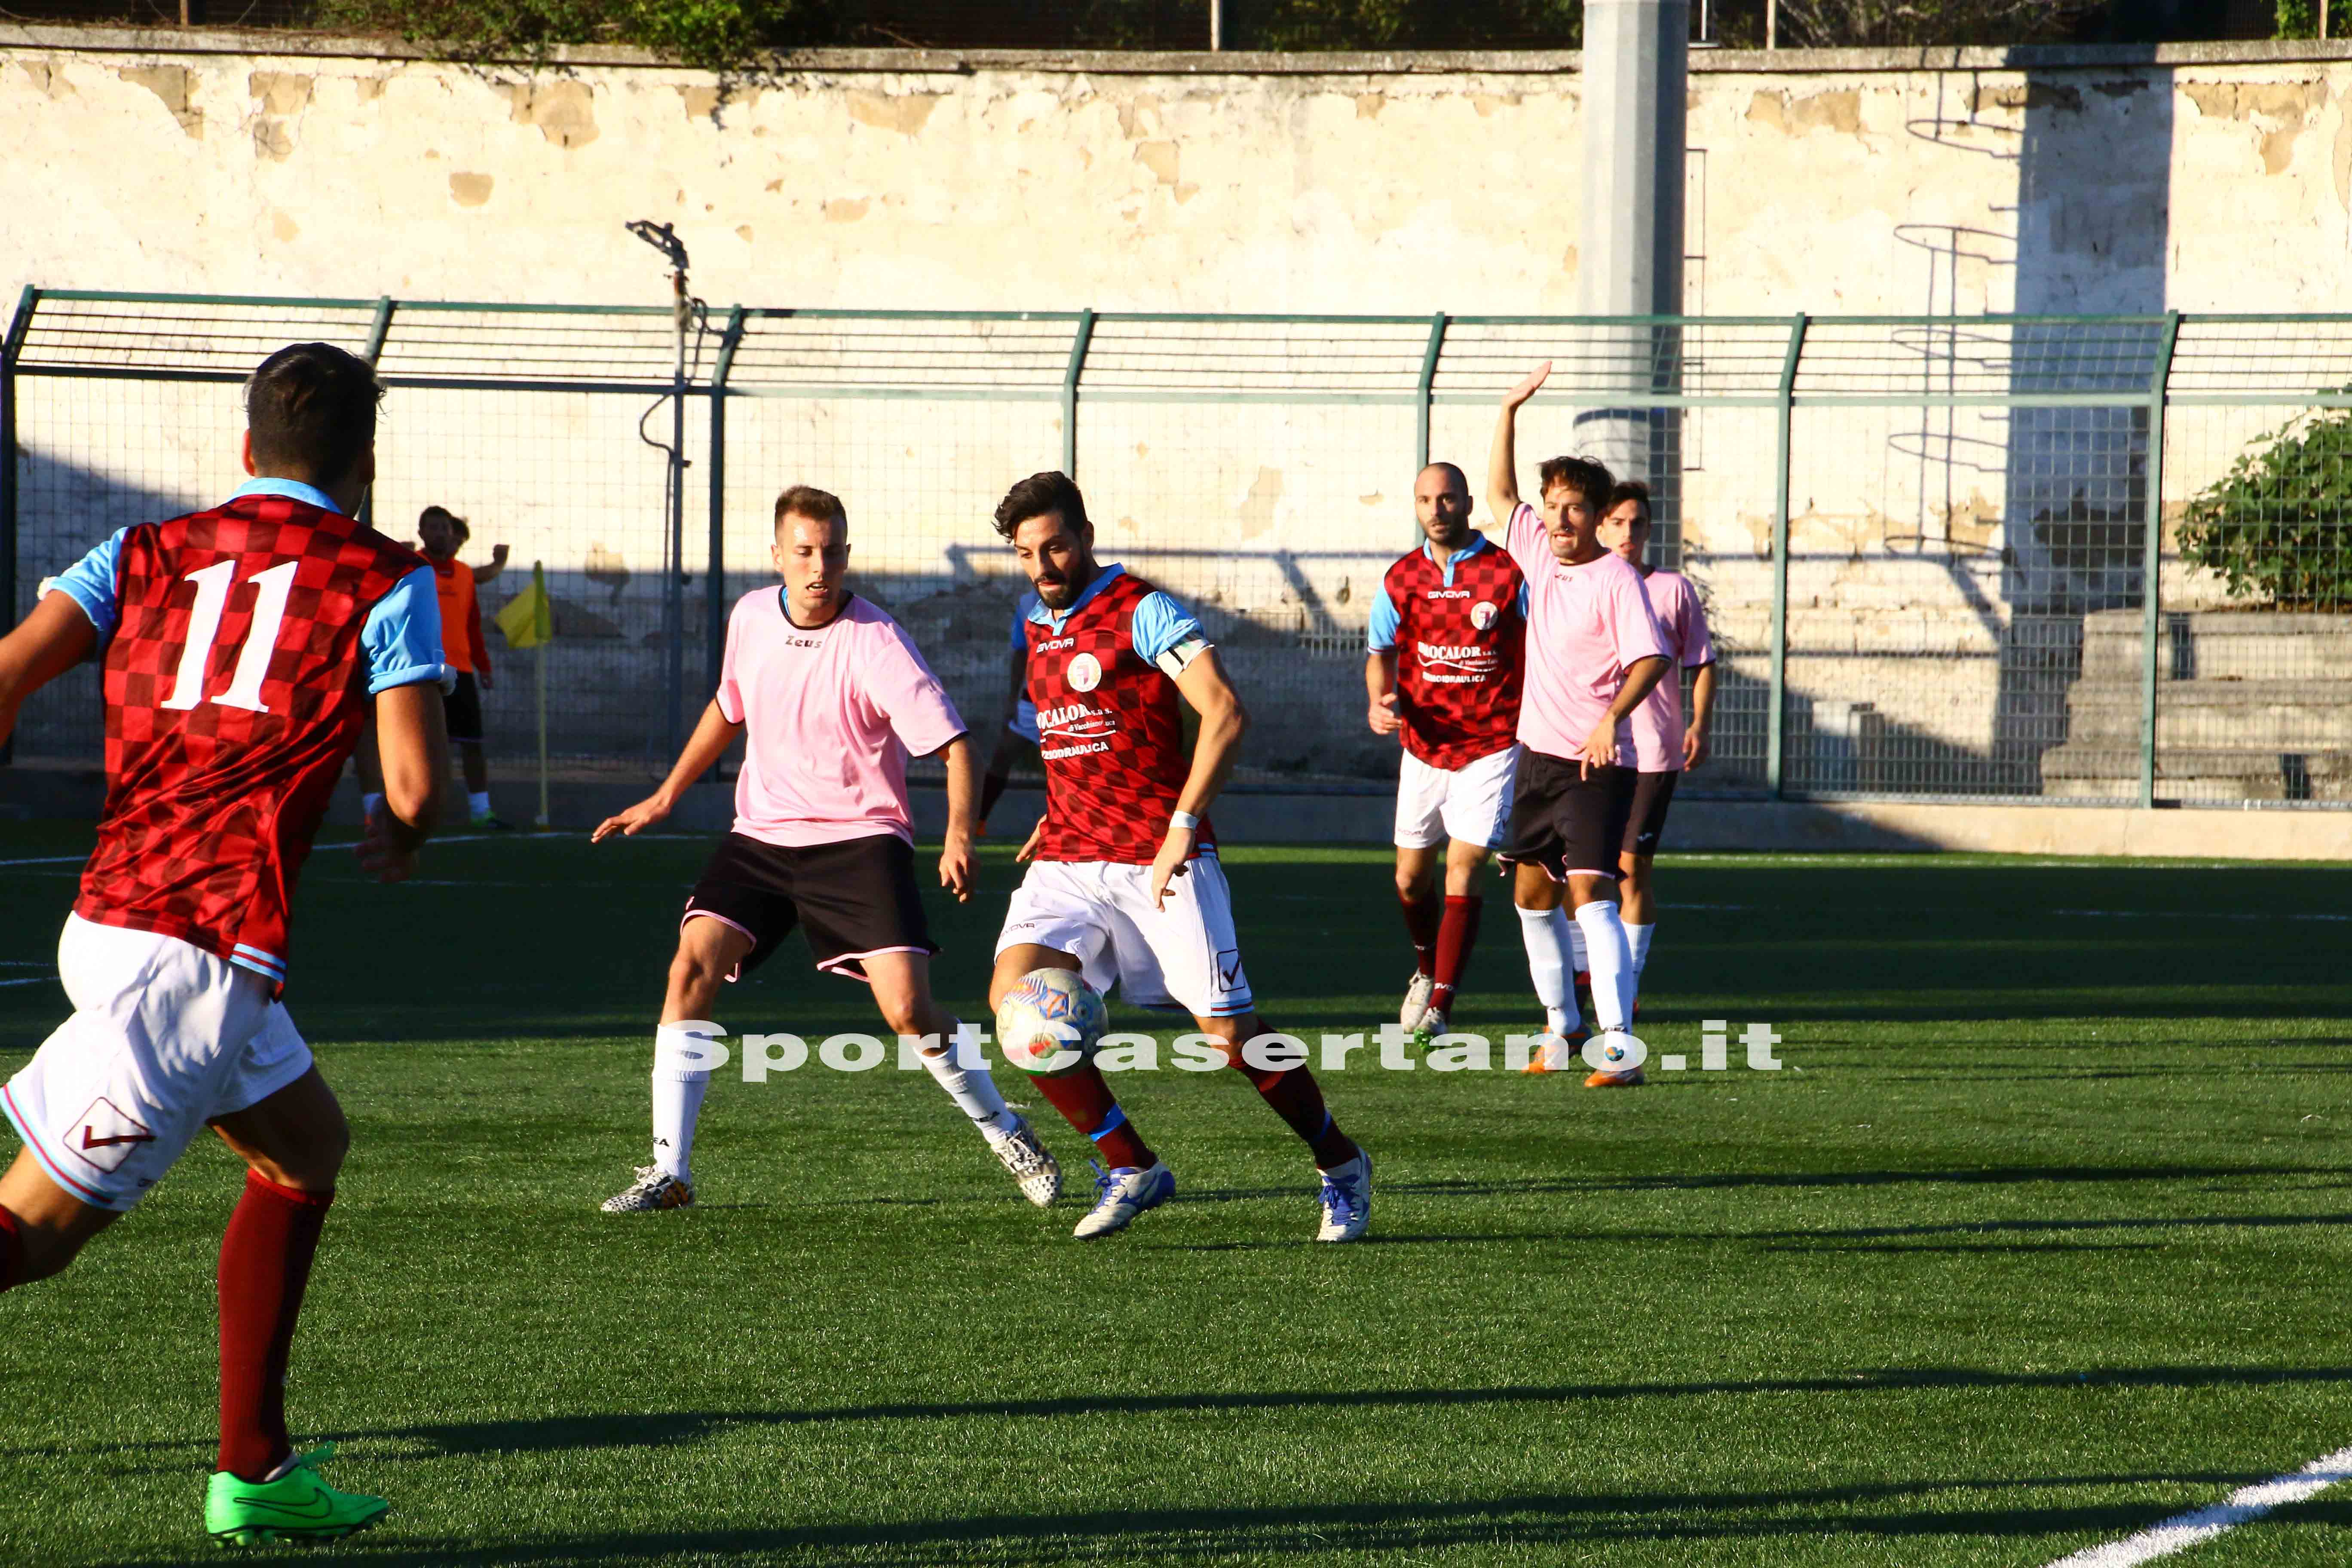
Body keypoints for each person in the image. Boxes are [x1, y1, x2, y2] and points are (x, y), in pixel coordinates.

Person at [0, 343, 449, 1545]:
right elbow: (410, 787)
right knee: (28, 1240)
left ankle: (253, 1466)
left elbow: (5, 674)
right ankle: (250, 1468)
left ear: (246, 453)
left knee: (307, 1147)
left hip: (109, 915)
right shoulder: (384, 576)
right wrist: (401, 824)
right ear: (364, 464)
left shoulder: (140, 552)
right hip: (196, 953)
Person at [593, 485, 1060, 1214]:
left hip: (859, 840)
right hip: (762, 836)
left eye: (832, 552)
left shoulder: (876, 641)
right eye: (805, 552)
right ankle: (669, 1171)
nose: (820, 567)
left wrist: (959, 834)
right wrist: (664, 796)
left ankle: (1005, 1129)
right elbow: (728, 705)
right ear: (776, 554)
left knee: (907, 1010)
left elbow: (953, 744)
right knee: (691, 964)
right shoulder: (750, 616)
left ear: (847, 555)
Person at [985, 471, 1371, 1243]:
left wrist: (1181, 825)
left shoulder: (1143, 609)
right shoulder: (1034, 618)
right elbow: (1064, 729)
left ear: (1087, 536)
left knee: (1231, 1038)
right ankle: (1129, 1163)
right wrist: (1052, 809)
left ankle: (1341, 1163)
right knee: (1017, 1009)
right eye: (1027, 552)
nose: (1043, 565)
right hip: (1069, 854)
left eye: (1054, 545)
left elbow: (1224, 712)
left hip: (1157, 855)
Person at [1484, 365, 1673, 1084]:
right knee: (1531, 896)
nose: (1559, 520)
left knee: (1589, 891)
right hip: (1536, 758)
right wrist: (1506, 408)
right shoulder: (1536, 553)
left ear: (1597, 516)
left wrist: (1610, 721)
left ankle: (1619, 1049)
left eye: (1573, 509)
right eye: (1553, 506)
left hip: (1596, 765)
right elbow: (1500, 493)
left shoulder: (1616, 580)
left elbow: (1651, 658)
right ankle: (1561, 1026)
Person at [1365, 461, 1526, 1042]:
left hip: (1491, 742)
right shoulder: (1401, 578)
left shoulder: (1507, 573)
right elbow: (1379, 650)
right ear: (1416, 506)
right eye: (1427, 499)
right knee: (1410, 879)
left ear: (1465, 504)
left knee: (1465, 865)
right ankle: (1426, 966)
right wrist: (1377, 702)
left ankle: (1441, 1002)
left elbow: (1541, 641)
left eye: (1449, 498)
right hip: (1424, 748)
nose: (1438, 509)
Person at [1594, 480, 1717, 1030]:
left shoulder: (1672, 590)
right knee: (1581, 873)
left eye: (1637, 524)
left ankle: (1630, 982)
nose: (1627, 533)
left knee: (1629, 868)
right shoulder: (1583, 583)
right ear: (1600, 526)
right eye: (1617, 522)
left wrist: (1699, 723)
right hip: (1591, 751)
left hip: (1653, 752)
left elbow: (1701, 661)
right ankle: (1585, 983)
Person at [977, 586, 1043, 833]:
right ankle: (978, 822)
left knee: (1065, 770)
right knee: (1002, 756)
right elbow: (1020, 651)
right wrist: (1012, 700)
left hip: (1066, 705)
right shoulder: (1027, 604)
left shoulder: (1083, 597)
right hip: (1031, 703)